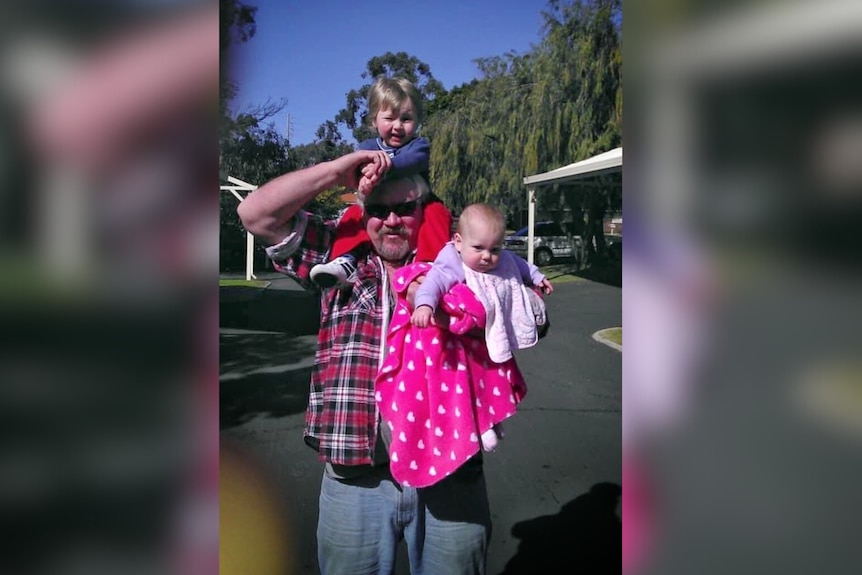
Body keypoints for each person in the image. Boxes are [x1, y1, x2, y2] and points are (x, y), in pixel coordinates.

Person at [237, 150, 491, 574]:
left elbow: (518, 301)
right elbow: (254, 214)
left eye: (405, 209)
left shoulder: (459, 262)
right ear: (363, 211)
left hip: (451, 478)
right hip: (358, 479)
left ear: (423, 209)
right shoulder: (339, 257)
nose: (391, 220)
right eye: (377, 209)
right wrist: (340, 172)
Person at [374, 204, 552, 487]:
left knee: (489, 379)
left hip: (483, 346)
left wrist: (538, 277)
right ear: (457, 242)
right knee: (470, 383)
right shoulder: (450, 262)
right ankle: (481, 426)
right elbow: (433, 284)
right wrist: (424, 306)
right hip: (456, 350)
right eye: (479, 248)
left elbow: (519, 265)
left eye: (494, 249)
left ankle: (489, 422)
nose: (487, 257)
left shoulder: (499, 258)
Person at [309, 76, 451, 288]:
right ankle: (344, 261)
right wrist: (364, 179)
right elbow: (359, 172)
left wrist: (382, 169)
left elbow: (410, 162)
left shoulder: (418, 146)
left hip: (420, 199)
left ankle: (429, 265)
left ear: (417, 121)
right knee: (353, 216)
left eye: (406, 119)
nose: (397, 126)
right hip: (374, 200)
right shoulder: (367, 146)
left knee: (437, 214)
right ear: (374, 120)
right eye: (389, 118)